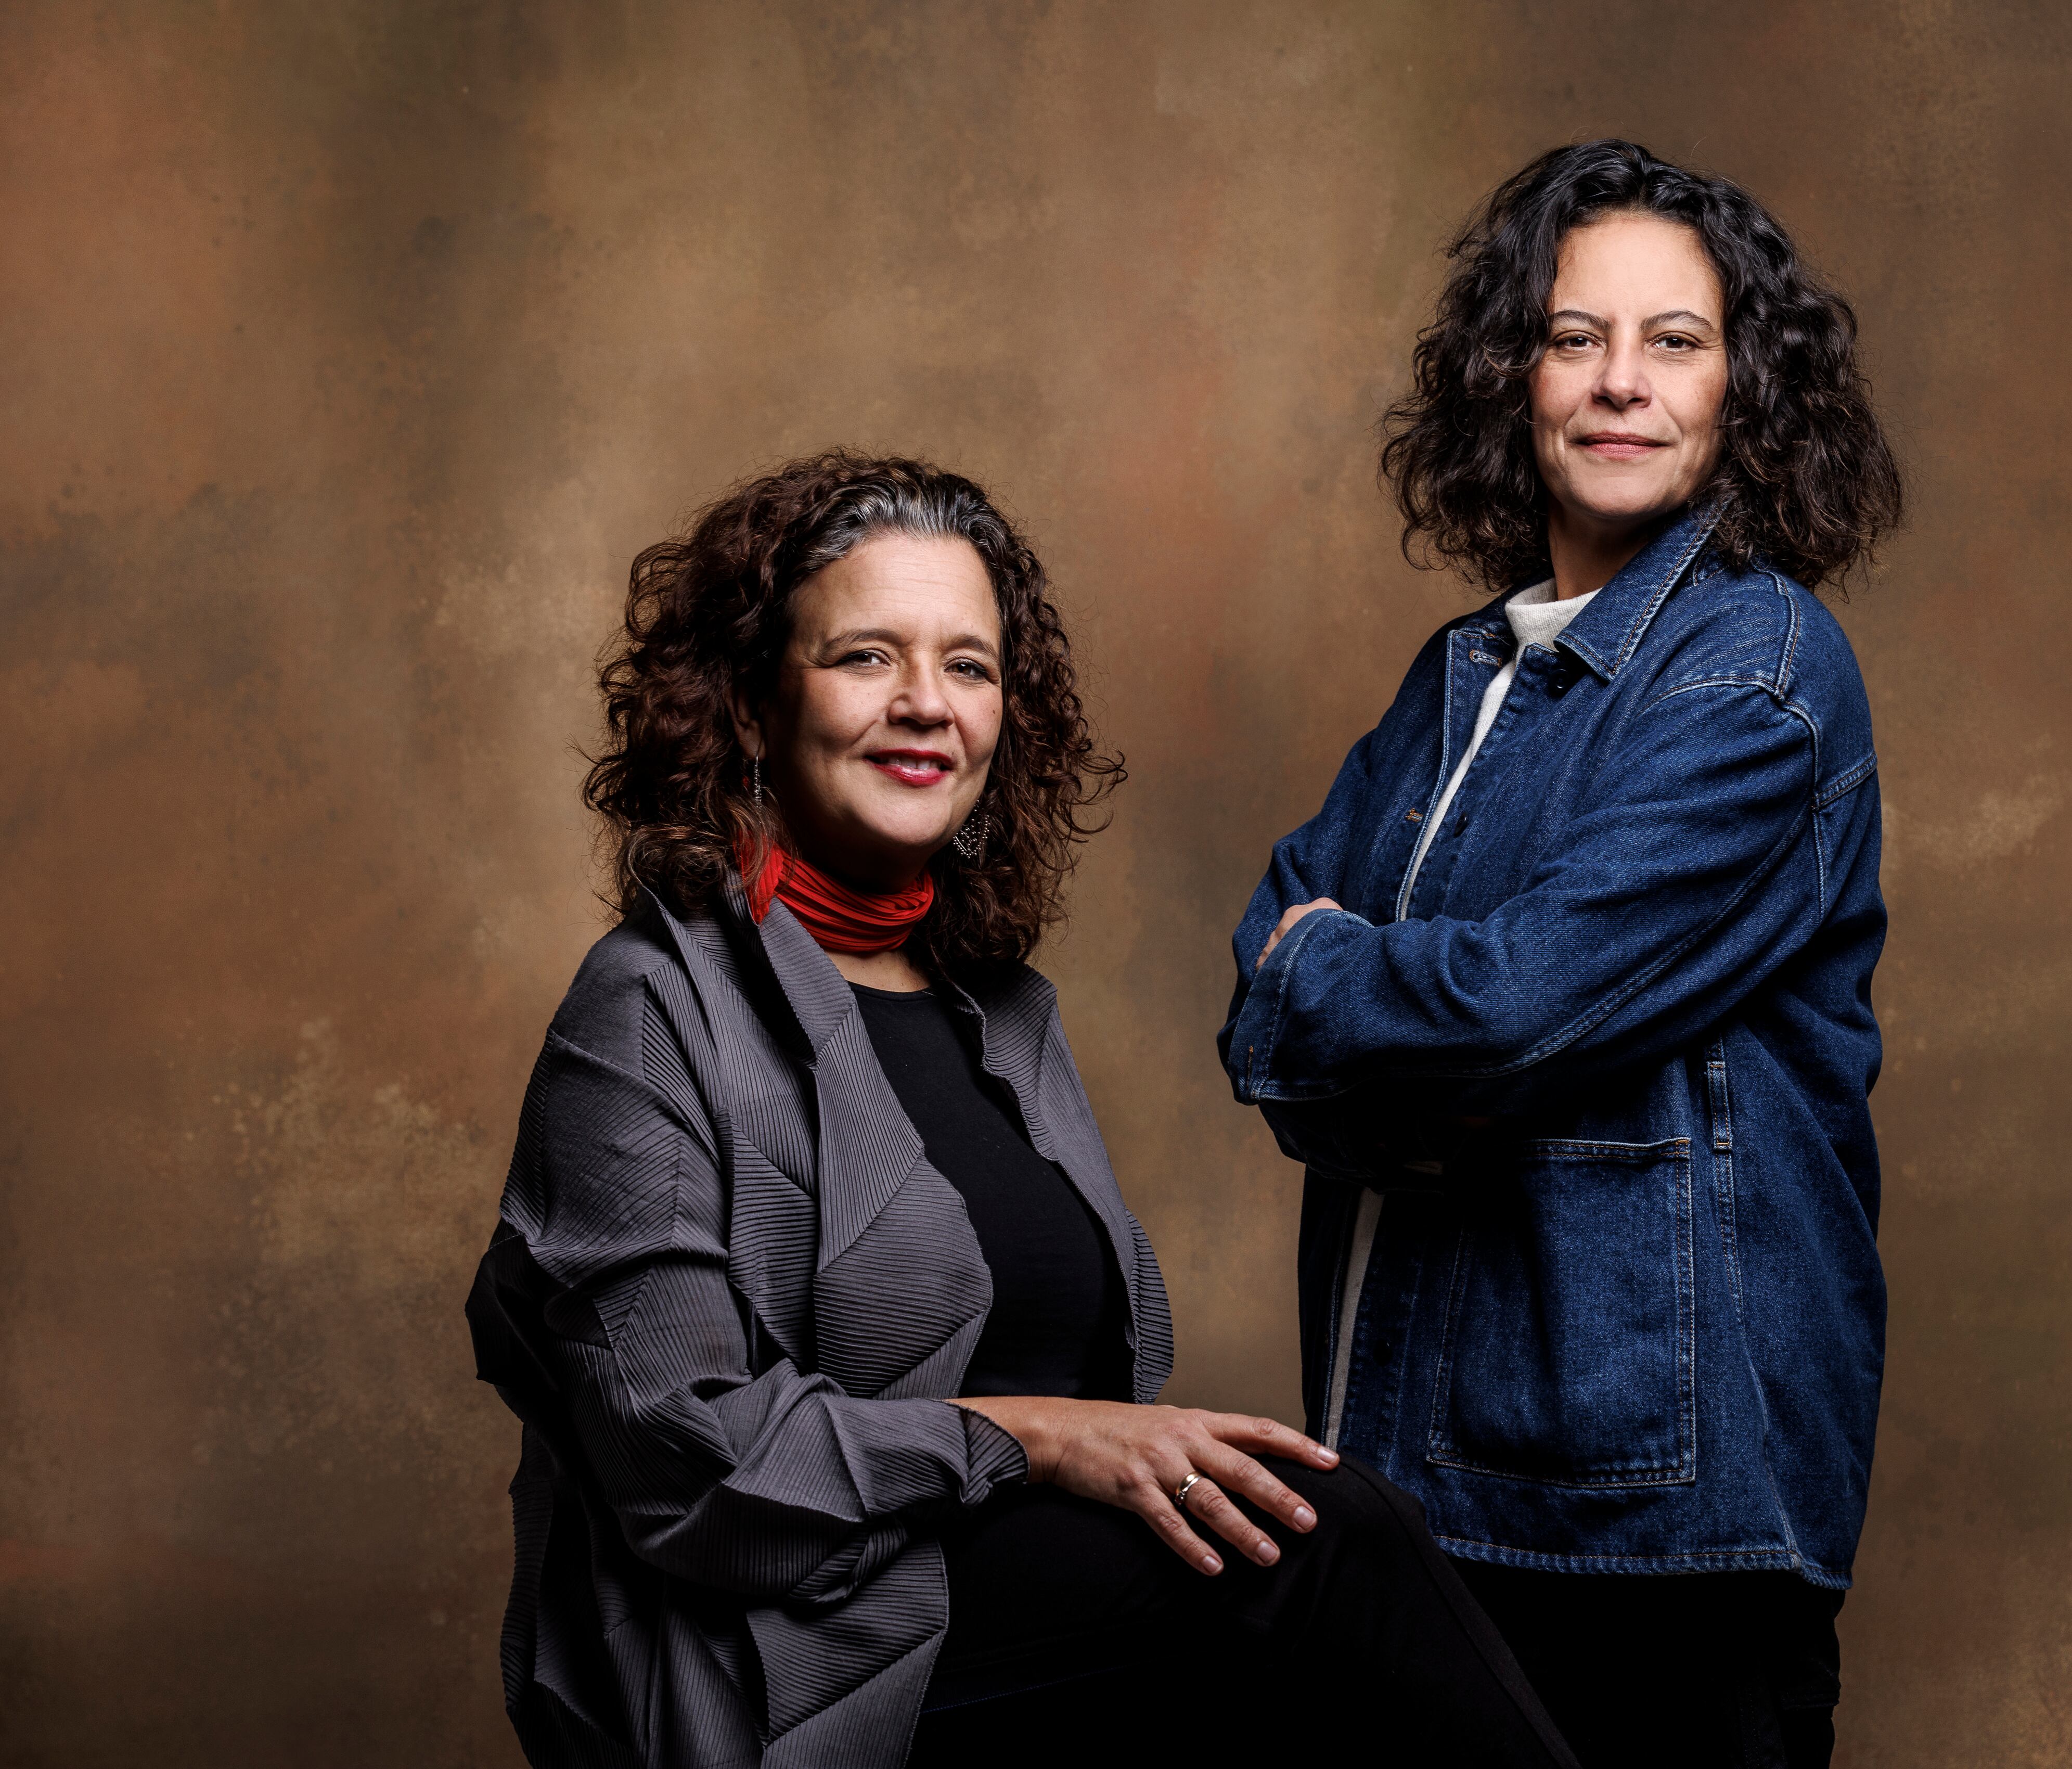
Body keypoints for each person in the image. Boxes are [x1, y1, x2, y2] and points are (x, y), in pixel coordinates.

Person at [465, 452, 1576, 1769]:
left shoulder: (1003, 1012)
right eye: (867, 657)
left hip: (1029, 1634)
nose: (926, 705)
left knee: (1297, 1584)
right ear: (755, 704)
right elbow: (688, 1463)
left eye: (971, 666)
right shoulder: (650, 1005)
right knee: (1323, 1549)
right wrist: (1036, 1438)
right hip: (790, 1645)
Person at [1218, 140, 1904, 1767]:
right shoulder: (1459, 676)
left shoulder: (1763, 676)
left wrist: (1353, 998)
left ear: (1746, 390)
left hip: (1662, 1529)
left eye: (1675, 341)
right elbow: (1262, 979)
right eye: (1572, 337)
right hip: (1421, 1487)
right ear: (1511, 378)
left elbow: (1508, 1007)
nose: (1619, 384)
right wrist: (1352, 1024)